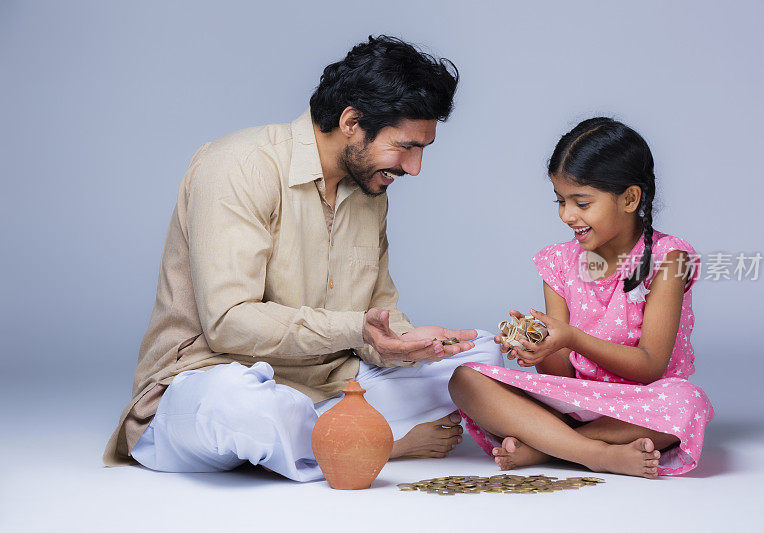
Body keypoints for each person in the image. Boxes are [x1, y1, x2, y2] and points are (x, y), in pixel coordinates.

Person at [103, 35, 502, 480]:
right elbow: (229, 323)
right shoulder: (240, 165)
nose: (414, 168)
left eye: (422, 149)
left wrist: (410, 345)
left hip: (332, 385)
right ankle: (379, 443)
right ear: (352, 120)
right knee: (244, 409)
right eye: (406, 146)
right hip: (211, 380)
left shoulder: (369, 188)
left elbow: (378, 318)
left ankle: (335, 435)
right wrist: (356, 328)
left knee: (484, 357)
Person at [449, 117, 714, 478]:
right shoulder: (558, 261)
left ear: (630, 198)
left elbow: (651, 364)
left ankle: (549, 447)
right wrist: (541, 345)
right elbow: (561, 373)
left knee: (687, 404)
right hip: (571, 399)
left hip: (637, 406)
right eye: (560, 201)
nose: (568, 215)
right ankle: (593, 453)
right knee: (465, 379)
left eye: (582, 203)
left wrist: (572, 337)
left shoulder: (668, 259)